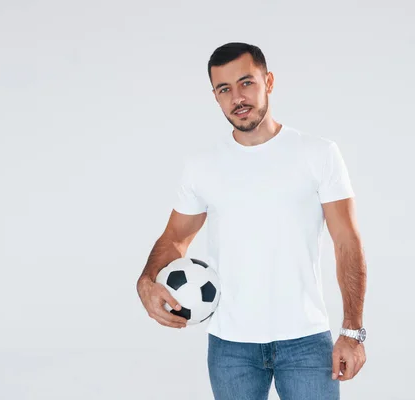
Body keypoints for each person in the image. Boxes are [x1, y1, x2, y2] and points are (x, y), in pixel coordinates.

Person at [137, 42, 367, 400]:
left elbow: (347, 242)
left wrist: (352, 332)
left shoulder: (318, 154)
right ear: (215, 96)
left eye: (246, 83)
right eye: (224, 89)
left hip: (306, 341)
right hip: (231, 346)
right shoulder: (203, 165)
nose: (237, 98)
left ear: (269, 81)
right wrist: (147, 281)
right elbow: (175, 238)